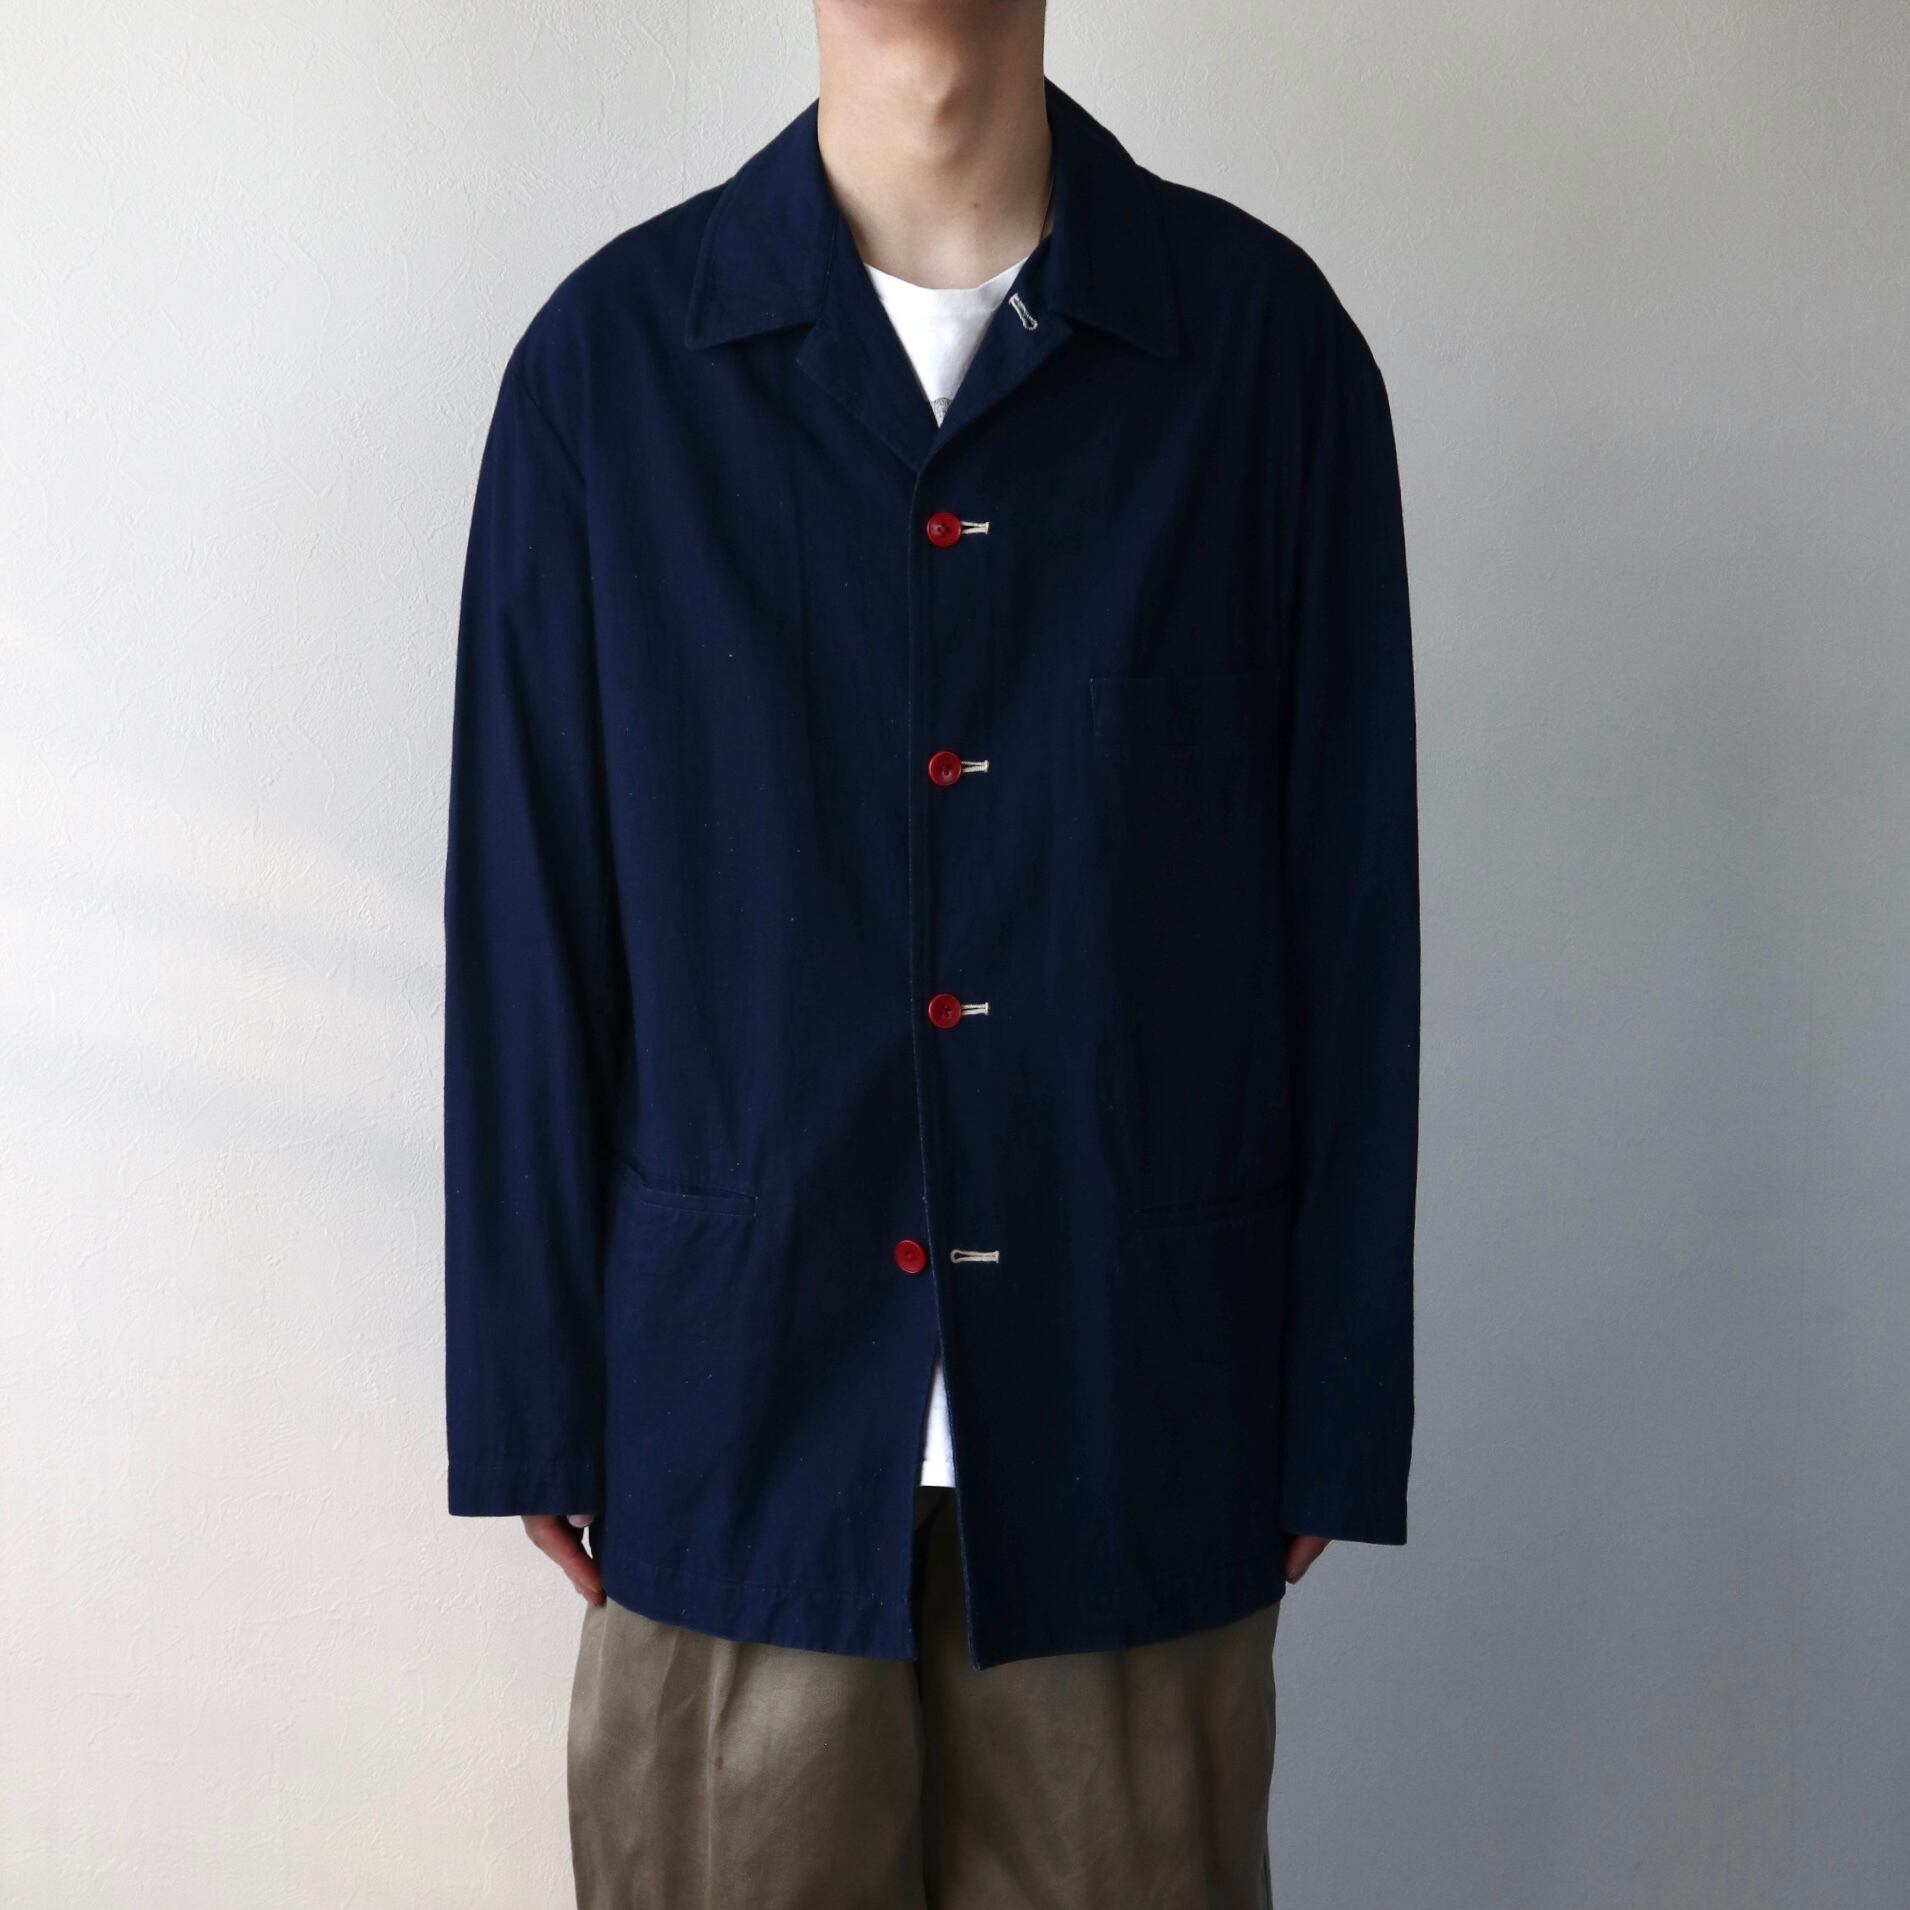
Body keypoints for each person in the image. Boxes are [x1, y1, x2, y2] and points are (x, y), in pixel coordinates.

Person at [442, 2, 1419, 1903]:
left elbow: (1349, 918)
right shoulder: (608, 373)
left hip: (1143, 1418)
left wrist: (1332, 1407)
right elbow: (529, 918)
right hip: (729, 1422)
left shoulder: (1261, 357)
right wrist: (531, 1395)